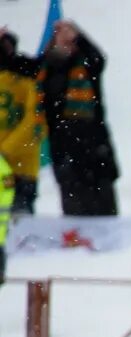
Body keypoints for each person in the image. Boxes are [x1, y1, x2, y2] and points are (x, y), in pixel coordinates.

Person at [38, 20, 119, 215]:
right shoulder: (47, 70)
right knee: (74, 207)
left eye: (71, 40)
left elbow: (97, 58)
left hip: (95, 148)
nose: (67, 44)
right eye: (62, 40)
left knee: (104, 208)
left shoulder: (87, 66)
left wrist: (78, 37)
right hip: (65, 150)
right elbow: (14, 63)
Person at [0, 30, 45, 214]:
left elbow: (35, 124)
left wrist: (4, 152)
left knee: (18, 230)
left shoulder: (29, 80)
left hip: (20, 170)